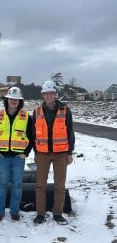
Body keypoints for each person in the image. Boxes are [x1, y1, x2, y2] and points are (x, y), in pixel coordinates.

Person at [32, 80, 75, 225]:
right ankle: (40, 214)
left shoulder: (65, 110)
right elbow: (33, 135)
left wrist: (70, 153)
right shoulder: (36, 111)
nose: (49, 96)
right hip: (42, 154)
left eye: (51, 93)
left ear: (55, 94)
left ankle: (57, 213)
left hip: (61, 154)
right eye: (46, 94)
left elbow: (70, 133)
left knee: (60, 186)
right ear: (43, 95)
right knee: (40, 185)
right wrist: (36, 152)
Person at [0, 87, 34, 222]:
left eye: (16, 99)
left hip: (17, 158)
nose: (13, 101)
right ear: (7, 100)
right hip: (2, 158)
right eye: (11, 99)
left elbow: (31, 137)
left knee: (17, 185)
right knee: (1, 184)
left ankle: (14, 211)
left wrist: (25, 153)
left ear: (19, 101)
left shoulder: (25, 117)